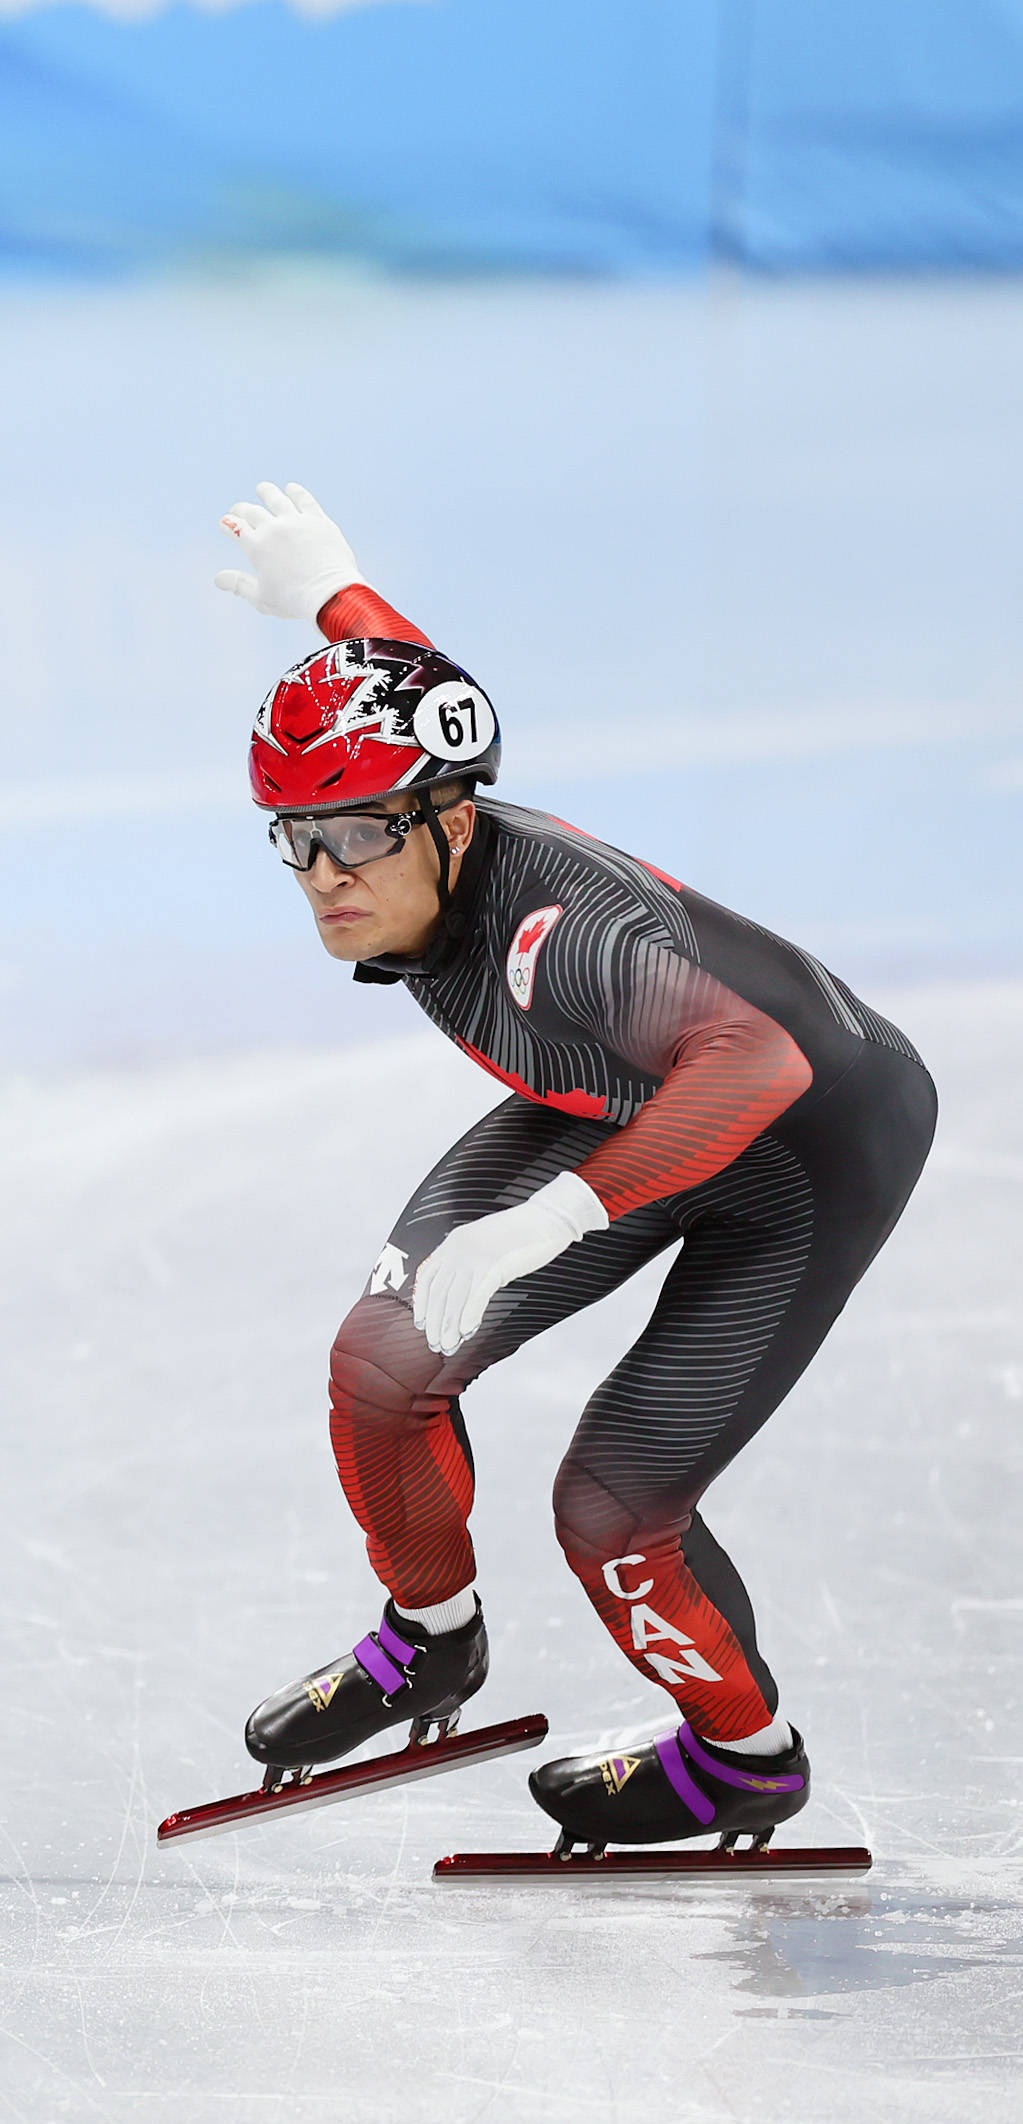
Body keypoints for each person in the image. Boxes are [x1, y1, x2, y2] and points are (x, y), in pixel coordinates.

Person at [210, 486, 933, 1848]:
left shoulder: (561, 937)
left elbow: (755, 1067)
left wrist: (550, 1215)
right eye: (295, 839)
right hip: (615, 1090)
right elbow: (420, 703)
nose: (321, 873)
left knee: (610, 1509)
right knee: (381, 1367)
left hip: (803, 1146)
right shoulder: (426, 816)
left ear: (446, 822)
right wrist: (333, 594)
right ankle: (427, 1639)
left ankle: (742, 1758)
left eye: (355, 834)